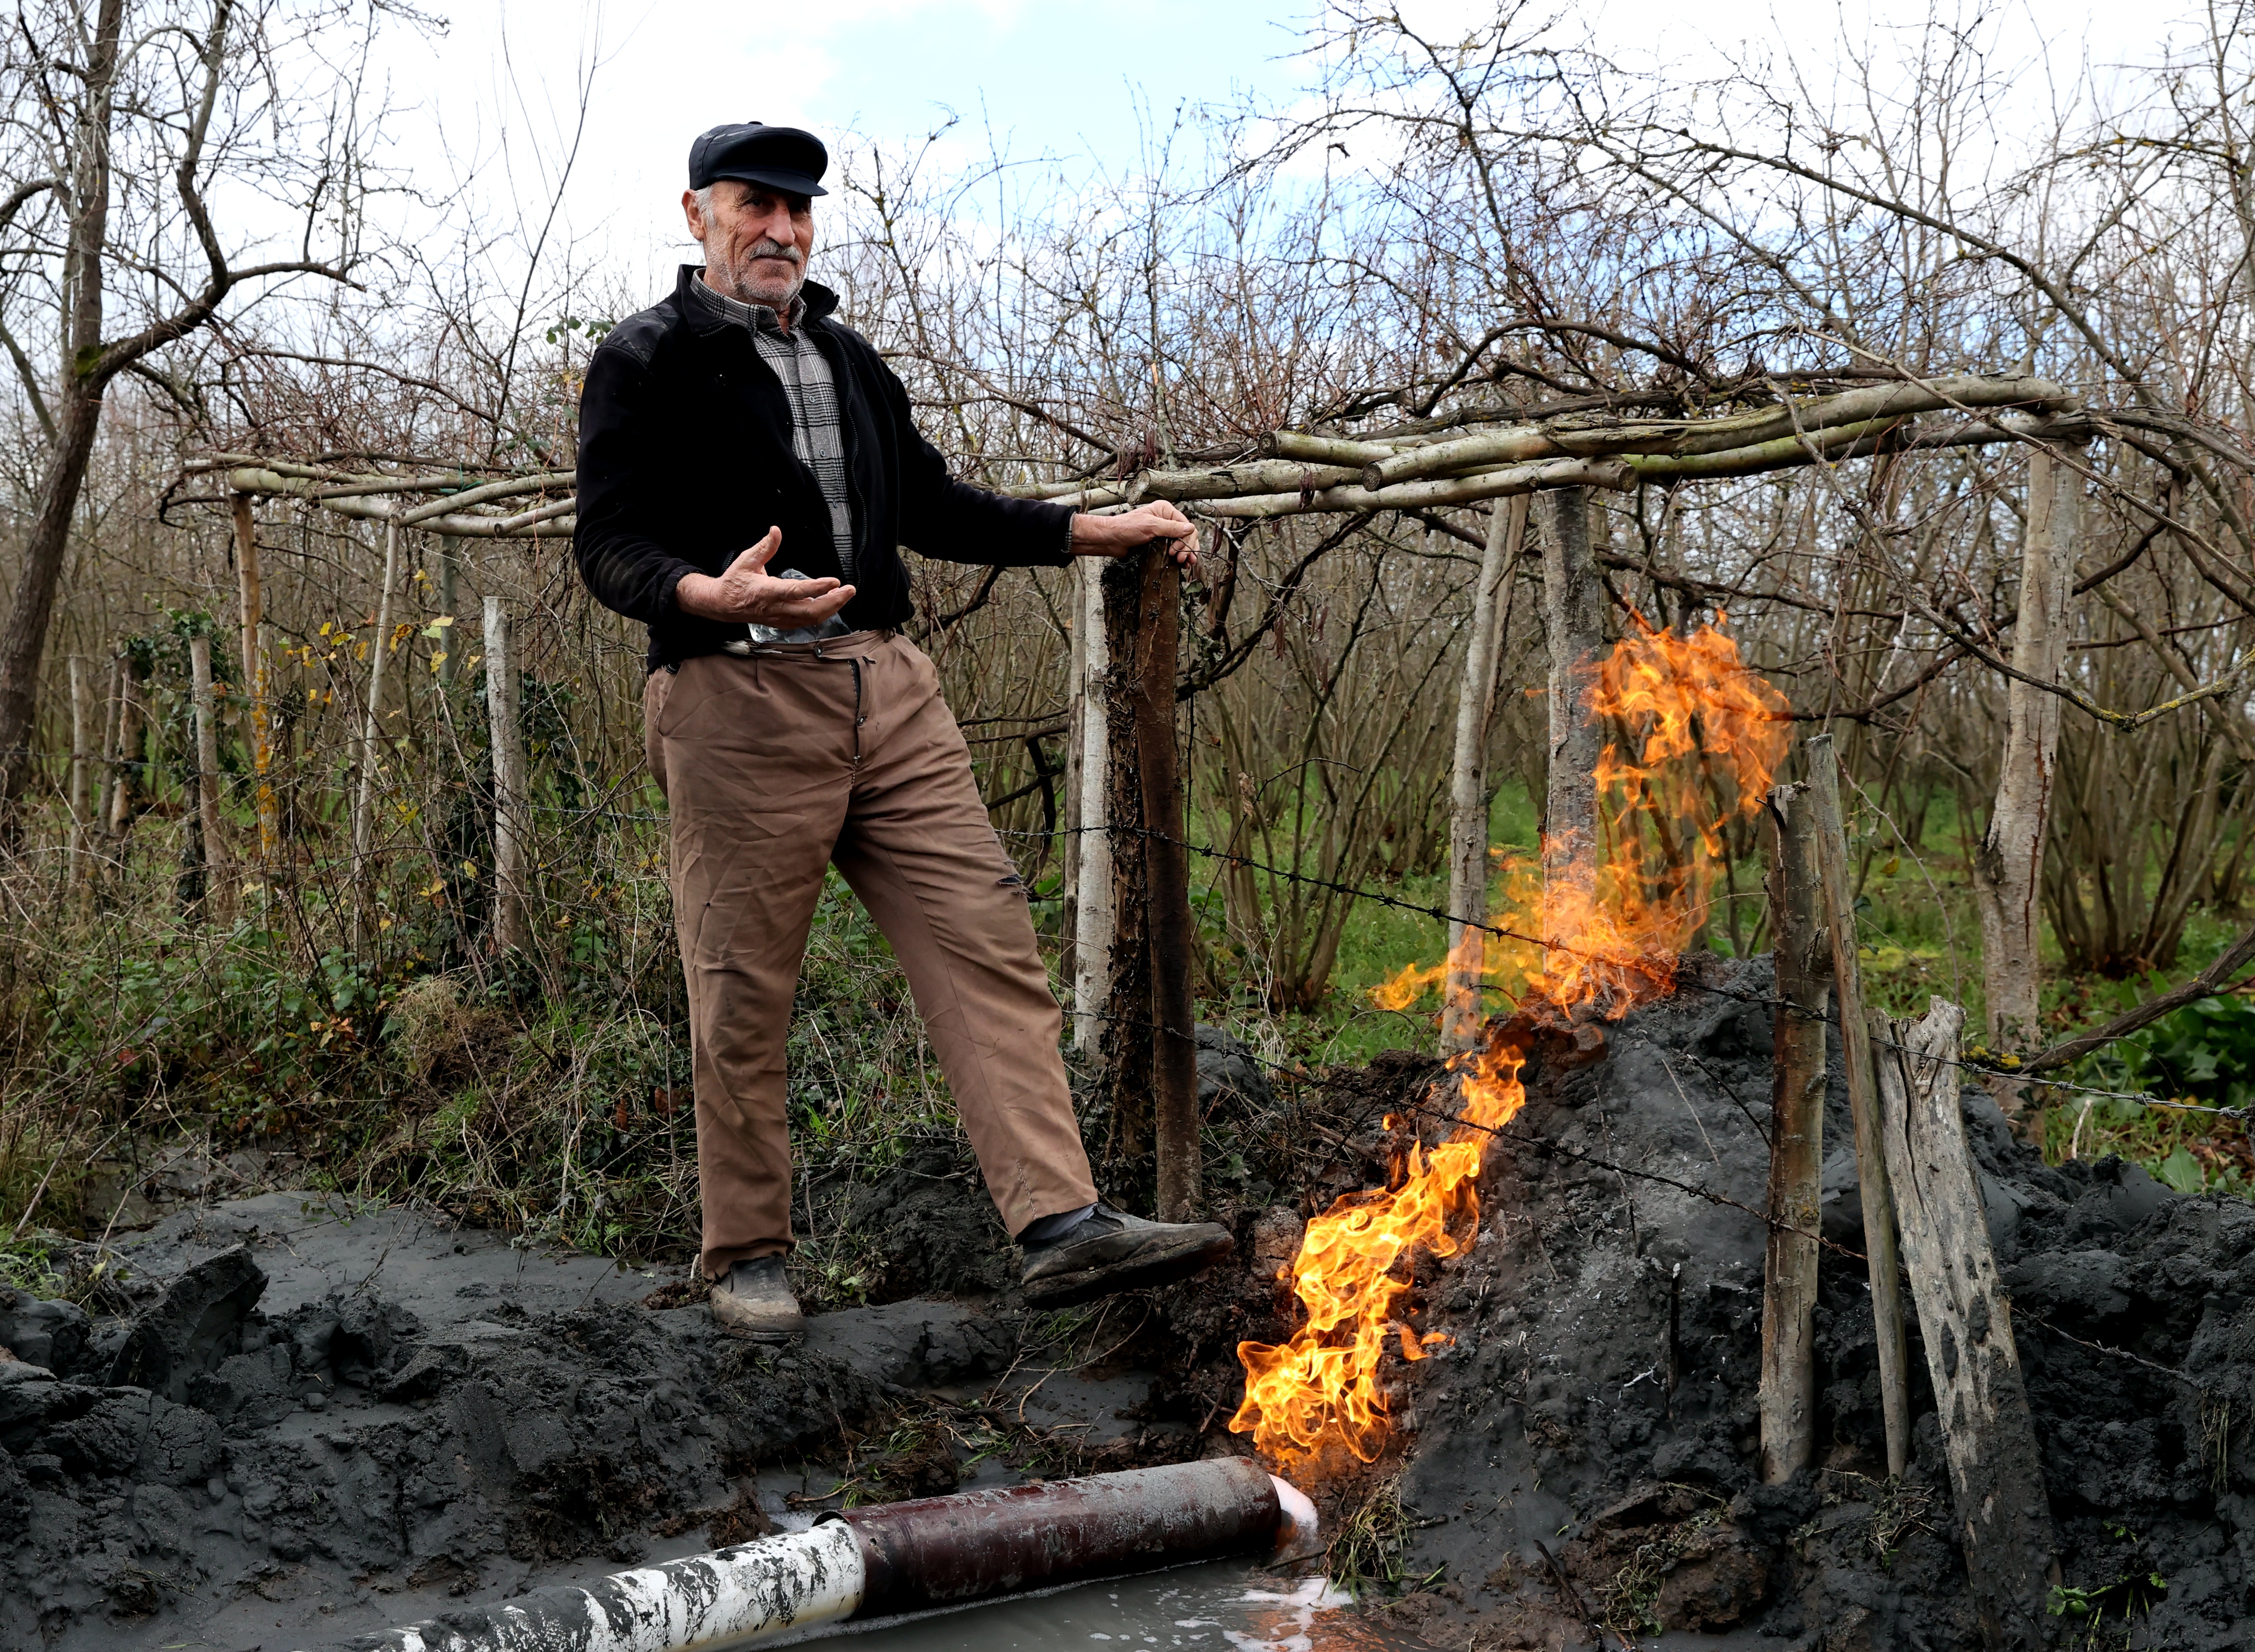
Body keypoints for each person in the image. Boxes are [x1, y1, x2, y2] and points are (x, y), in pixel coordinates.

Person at [573, 121, 1234, 1339]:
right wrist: (706, 595)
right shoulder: (647, 361)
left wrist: (1099, 527)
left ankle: (1059, 1223)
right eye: (753, 204)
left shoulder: (849, 357)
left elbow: (932, 504)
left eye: (798, 210)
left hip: (888, 687)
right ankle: (750, 1254)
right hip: (736, 697)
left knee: (984, 932)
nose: (779, 228)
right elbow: (605, 543)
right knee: (743, 987)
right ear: (696, 213)